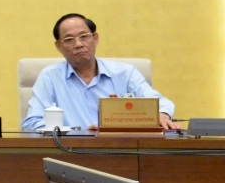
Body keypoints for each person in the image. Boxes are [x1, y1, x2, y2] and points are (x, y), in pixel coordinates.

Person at [22, 13, 178, 131]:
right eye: (69, 39)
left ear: (95, 39)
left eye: (84, 37)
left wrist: (161, 114)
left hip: (120, 152)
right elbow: (32, 123)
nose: (78, 44)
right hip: (70, 154)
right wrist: (78, 133)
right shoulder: (50, 77)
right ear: (59, 46)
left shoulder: (125, 74)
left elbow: (160, 103)